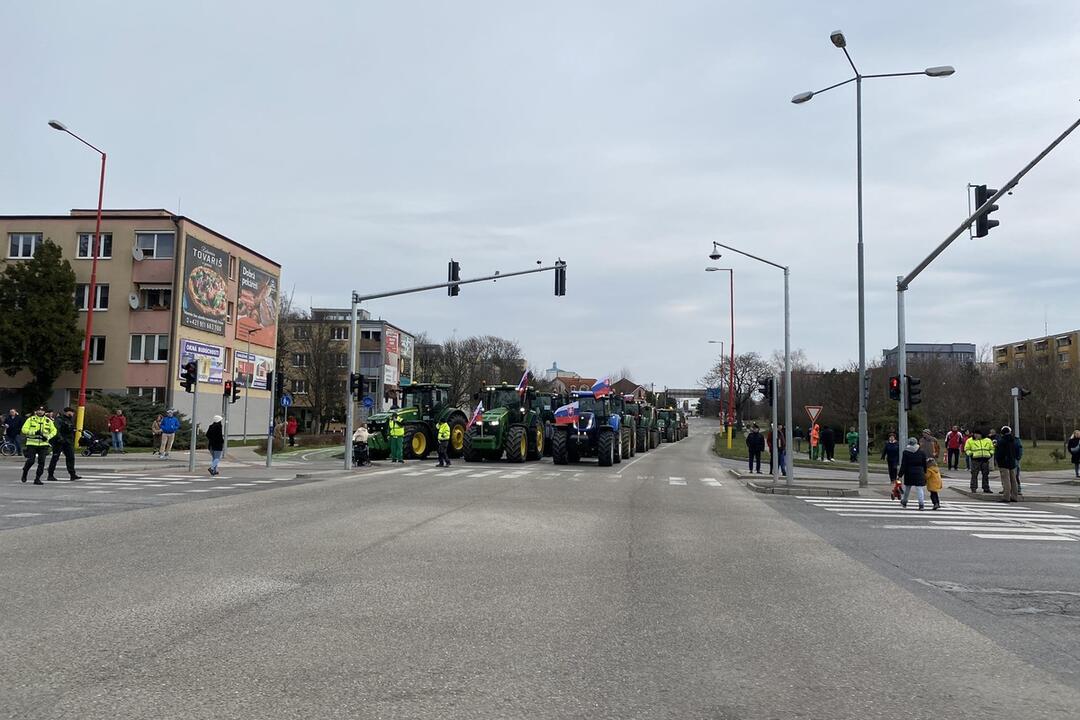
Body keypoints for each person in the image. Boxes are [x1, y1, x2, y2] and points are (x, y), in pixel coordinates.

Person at [20, 407, 56, 485]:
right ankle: (25, 471)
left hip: (43, 444)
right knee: (31, 461)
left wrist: (47, 437)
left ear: (44, 412)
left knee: (41, 462)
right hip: (32, 443)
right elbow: (24, 429)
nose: (40, 412)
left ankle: (37, 478)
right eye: (38, 410)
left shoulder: (48, 421)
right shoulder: (31, 419)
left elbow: (54, 431)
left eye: (42, 410)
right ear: (36, 411)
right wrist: (34, 432)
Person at [46, 407, 81, 482]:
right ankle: (50, 475)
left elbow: (70, 429)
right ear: (66, 412)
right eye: (71, 412)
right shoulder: (59, 419)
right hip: (59, 442)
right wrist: (60, 438)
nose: (72, 414)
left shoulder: (69, 420)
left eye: (73, 412)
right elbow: (56, 430)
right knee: (55, 458)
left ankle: (72, 475)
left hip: (68, 442)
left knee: (71, 457)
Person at [899, 437, 928, 510]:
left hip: (909, 472)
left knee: (907, 489)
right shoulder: (921, 452)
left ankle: (904, 501)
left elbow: (903, 464)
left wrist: (900, 475)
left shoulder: (906, 452)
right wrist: (925, 472)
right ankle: (921, 504)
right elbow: (924, 463)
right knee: (919, 489)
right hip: (919, 471)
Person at [995, 425, 1019, 503]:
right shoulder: (1014, 440)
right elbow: (1017, 450)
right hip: (1012, 462)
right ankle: (1014, 496)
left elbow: (1000, 453)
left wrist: (998, 459)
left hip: (1003, 462)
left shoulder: (1002, 441)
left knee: (1006, 480)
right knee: (1013, 479)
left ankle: (1006, 496)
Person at [881, 432, 901, 499]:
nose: (891, 438)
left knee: (894, 468)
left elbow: (899, 451)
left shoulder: (897, 444)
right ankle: (891, 479)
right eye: (890, 437)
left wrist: (899, 459)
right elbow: (885, 450)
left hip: (895, 458)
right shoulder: (887, 443)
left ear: (894, 437)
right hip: (889, 458)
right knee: (890, 469)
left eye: (892, 437)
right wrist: (883, 456)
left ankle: (894, 479)